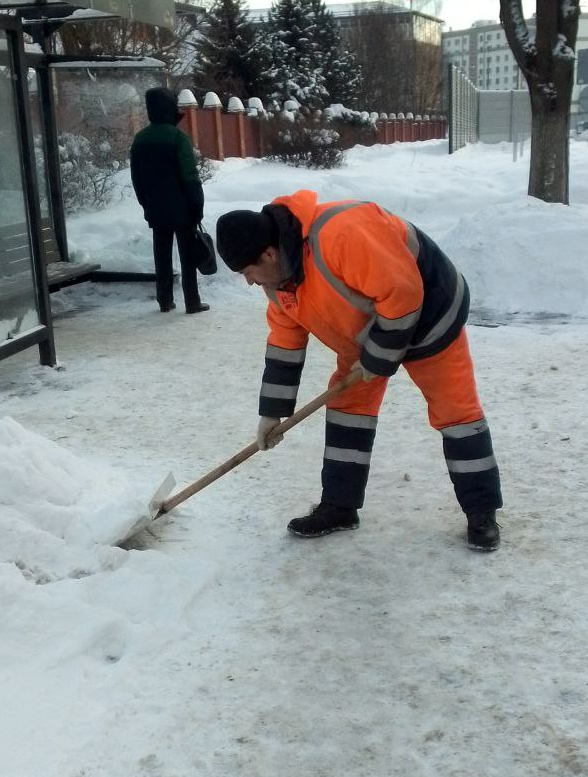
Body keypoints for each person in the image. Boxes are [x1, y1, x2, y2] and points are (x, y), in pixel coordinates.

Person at [215, 191, 503, 550]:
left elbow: (402, 294)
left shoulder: (341, 234)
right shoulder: (278, 282)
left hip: (432, 315)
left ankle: (481, 513)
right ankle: (339, 505)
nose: (249, 281)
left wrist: (377, 359)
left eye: (247, 272)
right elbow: (284, 341)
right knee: (348, 409)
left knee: (456, 413)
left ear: (269, 254)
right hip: (368, 332)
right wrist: (272, 413)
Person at [130, 87, 209, 314]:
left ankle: (164, 300)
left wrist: (146, 204)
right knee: (187, 257)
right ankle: (192, 302)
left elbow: (137, 178)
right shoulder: (178, 138)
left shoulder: (140, 139)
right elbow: (190, 177)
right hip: (183, 209)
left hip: (156, 209)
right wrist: (197, 206)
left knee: (161, 256)